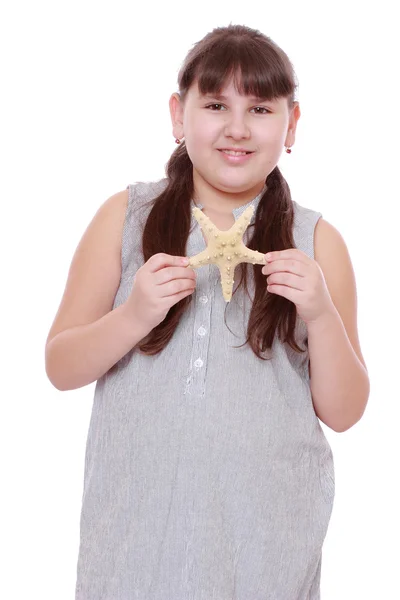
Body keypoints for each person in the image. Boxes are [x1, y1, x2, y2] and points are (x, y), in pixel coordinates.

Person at [45, 23, 369, 600]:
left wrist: (320, 315)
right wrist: (134, 316)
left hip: (267, 549)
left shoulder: (316, 243)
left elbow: (344, 413)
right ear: (178, 115)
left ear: (291, 124)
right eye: (216, 104)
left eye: (261, 108)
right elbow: (61, 366)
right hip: (134, 548)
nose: (237, 128)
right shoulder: (126, 217)